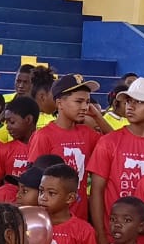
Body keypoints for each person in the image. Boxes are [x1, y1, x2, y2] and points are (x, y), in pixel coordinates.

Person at [86, 77, 144, 244]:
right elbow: (97, 192)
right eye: (129, 101)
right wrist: (101, 235)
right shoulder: (109, 142)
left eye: (139, 101)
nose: (131, 106)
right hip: (114, 237)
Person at [28, 75, 104, 220]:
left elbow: (116, 144)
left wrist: (98, 117)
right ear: (59, 103)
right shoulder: (44, 136)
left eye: (87, 102)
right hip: (52, 220)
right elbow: (34, 181)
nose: (85, 107)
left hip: (79, 219)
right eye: (79, 101)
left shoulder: (87, 134)